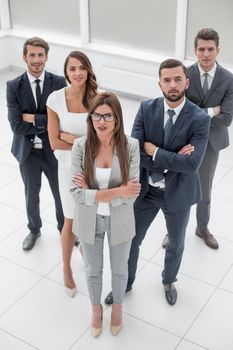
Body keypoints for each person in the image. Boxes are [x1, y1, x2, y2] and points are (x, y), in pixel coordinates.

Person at [104, 59, 210, 306]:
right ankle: (126, 282)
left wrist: (155, 152)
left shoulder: (199, 118)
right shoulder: (146, 109)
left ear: (187, 81)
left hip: (179, 193)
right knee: (132, 239)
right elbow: (134, 152)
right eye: (167, 80)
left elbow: (192, 164)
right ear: (159, 83)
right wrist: (171, 159)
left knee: (176, 242)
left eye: (177, 79)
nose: (172, 85)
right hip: (146, 190)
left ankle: (168, 279)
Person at [70, 92, 140, 337]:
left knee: (120, 268)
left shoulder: (130, 146)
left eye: (108, 115)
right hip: (89, 221)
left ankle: (118, 308)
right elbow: (76, 193)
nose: (101, 121)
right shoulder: (80, 146)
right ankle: (96, 308)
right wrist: (119, 190)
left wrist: (94, 193)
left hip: (120, 220)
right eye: (96, 115)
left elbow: (133, 193)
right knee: (92, 269)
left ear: (117, 119)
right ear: (90, 118)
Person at [162, 28, 233, 250]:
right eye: (201, 49)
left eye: (210, 49)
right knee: (176, 186)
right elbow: (178, 108)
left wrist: (198, 113)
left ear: (217, 50)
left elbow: (227, 118)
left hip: (211, 144)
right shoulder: (184, 75)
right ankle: (173, 231)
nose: (206, 54)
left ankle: (202, 228)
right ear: (195, 50)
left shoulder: (228, 79)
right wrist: (212, 111)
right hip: (183, 141)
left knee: (205, 189)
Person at [7, 37, 66, 251]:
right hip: (28, 152)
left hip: (54, 151)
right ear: (24, 57)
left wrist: (31, 118)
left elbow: (61, 121)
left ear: (47, 57)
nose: (36, 59)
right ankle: (34, 229)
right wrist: (47, 121)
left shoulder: (59, 83)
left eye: (40, 55)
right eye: (32, 55)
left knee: (61, 195)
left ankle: (65, 229)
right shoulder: (13, 86)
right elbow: (16, 126)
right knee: (31, 195)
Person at [47, 51, 98, 297]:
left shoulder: (99, 99)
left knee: (88, 217)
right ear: (66, 72)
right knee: (69, 219)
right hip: (67, 169)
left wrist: (72, 138)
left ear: (88, 70)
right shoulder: (55, 99)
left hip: (93, 169)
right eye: (72, 68)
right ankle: (66, 270)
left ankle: (86, 254)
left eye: (82, 68)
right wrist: (82, 142)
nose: (77, 72)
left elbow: (102, 143)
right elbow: (54, 143)